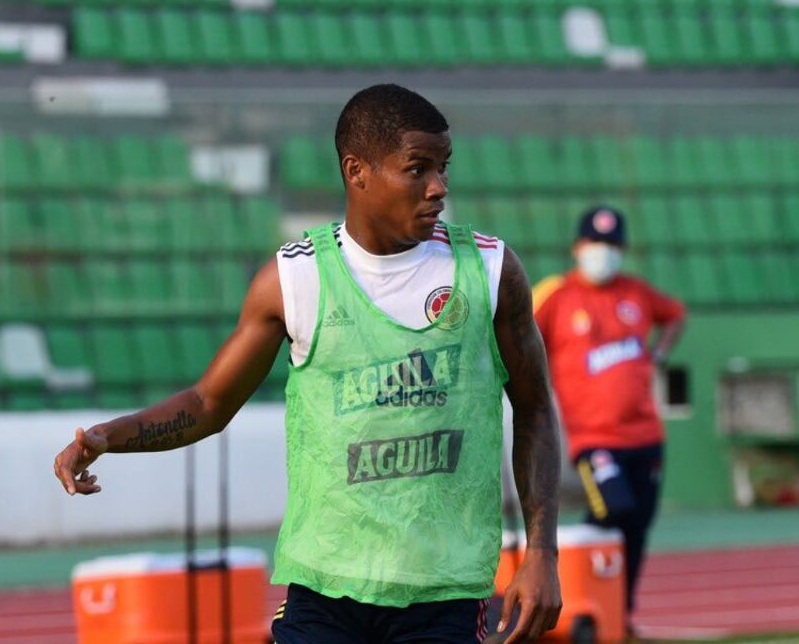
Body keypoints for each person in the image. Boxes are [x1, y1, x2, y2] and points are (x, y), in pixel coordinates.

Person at [54, 84, 564, 643]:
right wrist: (108, 436)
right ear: (356, 171)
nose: (438, 186)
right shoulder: (295, 278)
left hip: (443, 592)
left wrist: (542, 552)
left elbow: (536, 409)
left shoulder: (490, 271)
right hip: (324, 591)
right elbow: (208, 404)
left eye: (443, 167)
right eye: (418, 169)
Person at [532, 205, 686, 630]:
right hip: (594, 438)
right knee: (613, 509)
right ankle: (577, 600)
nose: (604, 251)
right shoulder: (557, 295)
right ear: (578, 246)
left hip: (646, 435)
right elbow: (519, 333)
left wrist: (658, 354)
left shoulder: (636, 293)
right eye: (596, 242)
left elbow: (675, 315)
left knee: (636, 527)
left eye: (612, 244)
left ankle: (620, 615)